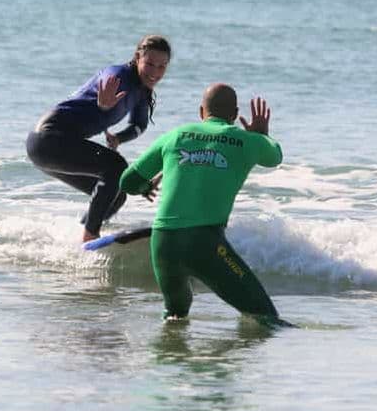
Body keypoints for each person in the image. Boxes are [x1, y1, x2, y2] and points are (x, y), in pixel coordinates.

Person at [119, 83, 288, 326]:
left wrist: (146, 188)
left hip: (163, 242)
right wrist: (261, 134)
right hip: (204, 243)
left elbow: (127, 181)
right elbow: (275, 157)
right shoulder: (246, 141)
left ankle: (166, 360)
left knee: (175, 316)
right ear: (234, 114)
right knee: (265, 316)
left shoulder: (175, 135)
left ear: (201, 112)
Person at [26, 35, 171, 243]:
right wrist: (102, 105)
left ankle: (80, 235)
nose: (155, 72)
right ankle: (90, 236)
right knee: (115, 167)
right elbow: (107, 81)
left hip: (51, 148)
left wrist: (119, 139)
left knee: (116, 196)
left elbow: (139, 126)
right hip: (48, 138)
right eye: (149, 64)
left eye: (161, 66)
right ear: (137, 57)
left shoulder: (141, 91)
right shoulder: (119, 75)